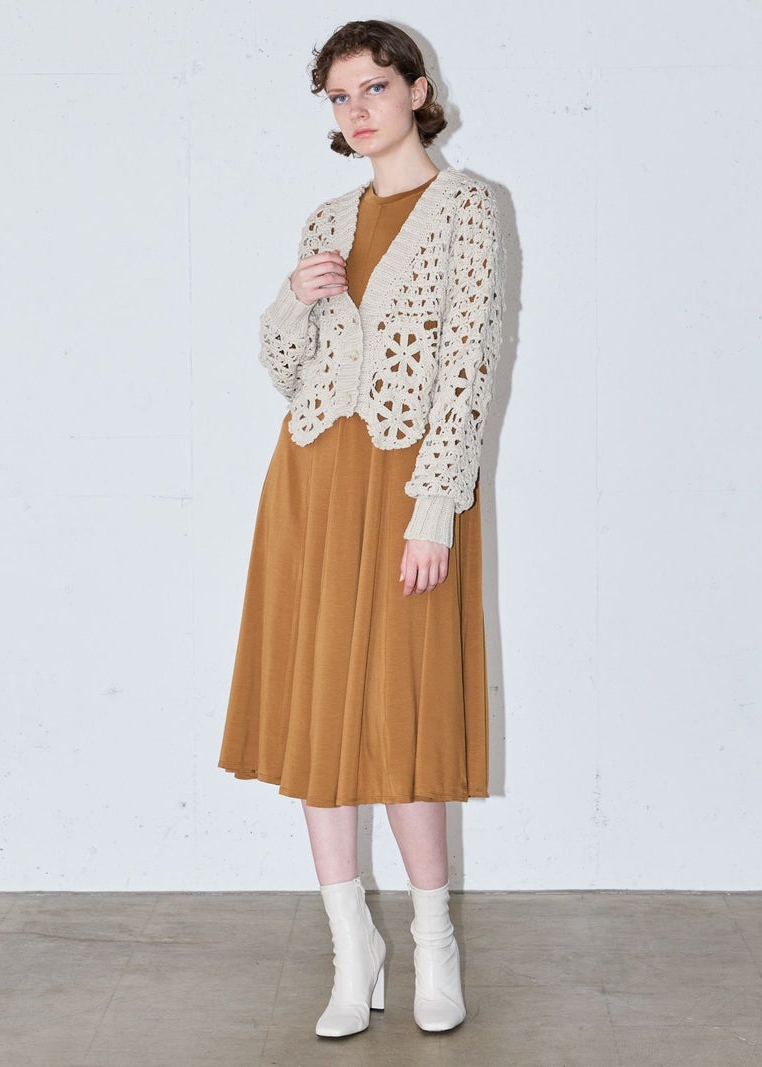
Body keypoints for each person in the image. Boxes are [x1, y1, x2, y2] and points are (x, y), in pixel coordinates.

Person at [218, 19, 505, 1039]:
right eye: (338, 97)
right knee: (319, 714)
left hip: (404, 490)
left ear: (417, 89)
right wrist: (291, 301)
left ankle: (433, 943)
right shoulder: (326, 218)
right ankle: (353, 953)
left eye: (373, 87)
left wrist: (435, 512)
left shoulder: (468, 207)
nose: (356, 109)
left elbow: (469, 368)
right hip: (312, 482)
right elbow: (290, 369)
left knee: (401, 715)